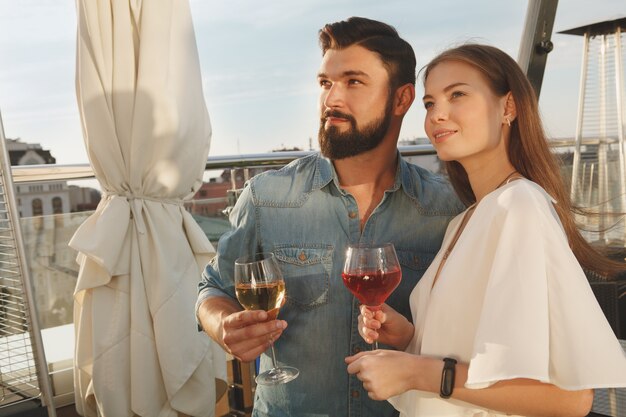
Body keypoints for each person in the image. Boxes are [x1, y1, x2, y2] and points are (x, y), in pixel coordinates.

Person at [196, 17, 463, 417]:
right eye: (325, 83)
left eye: (353, 82)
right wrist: (223, 326)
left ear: (401, 100)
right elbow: (212, 288)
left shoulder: (449, 211)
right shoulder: (267, 197)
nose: (331, 99)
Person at [346, 43, 626, 417]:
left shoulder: (519, 206)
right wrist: (412, 337)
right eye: (429, 104)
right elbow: (480, 355)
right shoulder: (468, 219)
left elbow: (569, 399)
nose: (437, 115)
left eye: (457, 94)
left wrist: (416, 371)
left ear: (508, 107)